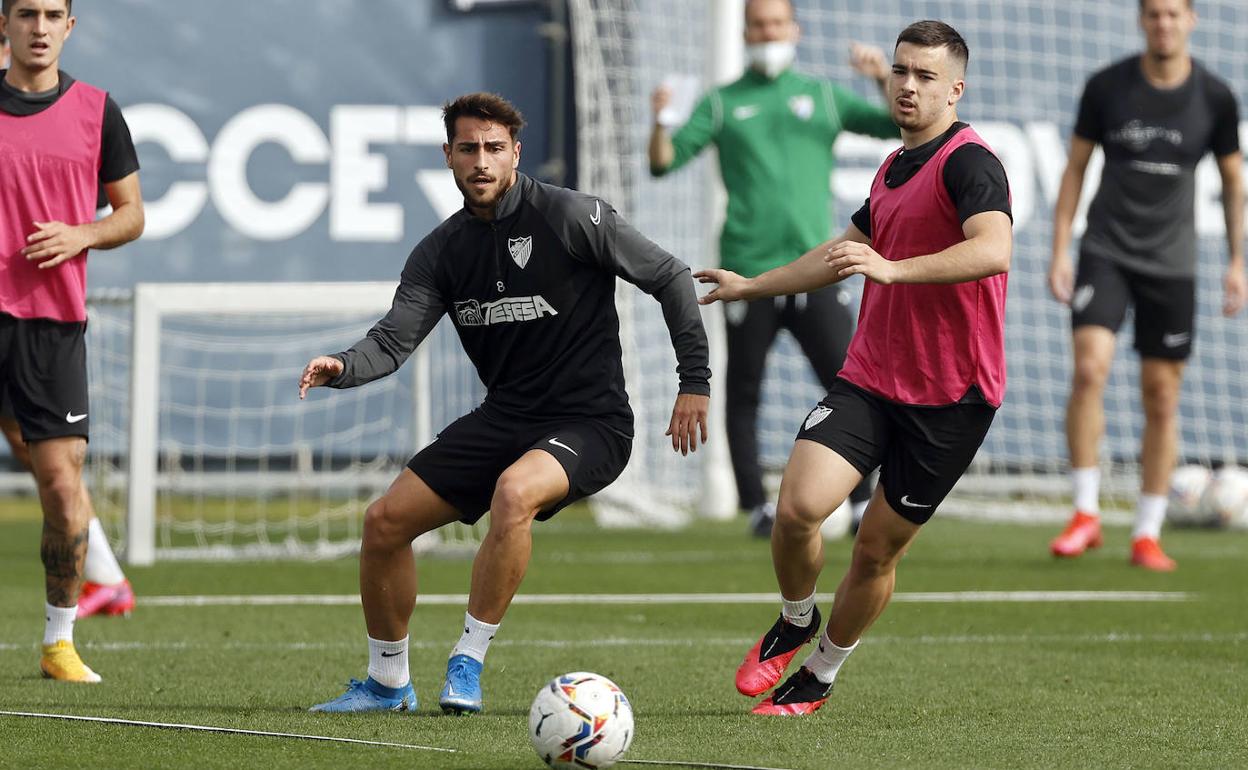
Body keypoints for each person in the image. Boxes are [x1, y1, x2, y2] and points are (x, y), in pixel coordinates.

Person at [300, 92, 711, 714]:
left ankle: (467, 660)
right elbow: (393, 339)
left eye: (495, 148)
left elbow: (671, 276)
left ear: (515, 153)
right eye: (469, 149)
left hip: (591, 422)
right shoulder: (442, 252)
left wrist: (695, 380)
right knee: (384, 524)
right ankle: (387, 683)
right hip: (506, 419)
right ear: (449, 156)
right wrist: (345, 367)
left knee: (514, 493)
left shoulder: (572, 217)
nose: (482, 161)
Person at [698, 20, 1012, 715]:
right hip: (872, 377)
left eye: (925, 76)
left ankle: (822, 672)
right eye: (901, 71)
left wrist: (895, 272)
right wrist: (754, 283)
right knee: (797, 507)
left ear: (955, 89)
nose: (906, 85)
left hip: (953, 399)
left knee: (874, 552)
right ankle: (796, 614)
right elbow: (842, 251)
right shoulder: (894, 162)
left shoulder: (970, 161)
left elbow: (993, 250)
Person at [649, 0, 899, 537]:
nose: (768, 33)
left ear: (795, 30)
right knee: (744, 390)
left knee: (851, 386)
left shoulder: (824, 96)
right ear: (745, 33)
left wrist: (882, 77)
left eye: (776, 24)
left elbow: (895, 125)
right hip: (749, 275)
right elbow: (664, 161)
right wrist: (661, 121)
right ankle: (756, 507)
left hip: (819, 267)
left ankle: (859, 503)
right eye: (759, 25)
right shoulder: (721, 103)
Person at [1047, 0, 1244, 571]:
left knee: (1162, 395)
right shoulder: (1107, 86)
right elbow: (1075, 170)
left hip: (1172, 263)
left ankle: (1147, 532)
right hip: (1105, 250)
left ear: (1192, 20)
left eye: (1173, 14)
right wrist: (1060, 249)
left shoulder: (1215, 96)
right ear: (1141, 20)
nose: (1164, 23)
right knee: (1089, 369)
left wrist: (1237, 261)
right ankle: (1086, 512)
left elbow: (1234, 181)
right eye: (1154, 14)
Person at [0, 0, 145, 682]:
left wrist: (82, 233)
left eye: (52, 13)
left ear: (69, 26)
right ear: (4, 24)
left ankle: (59, 641)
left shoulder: (97, 110)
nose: (38, 25)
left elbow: (131, 213)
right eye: (25, 12)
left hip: (50, 330)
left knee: (61, 488)